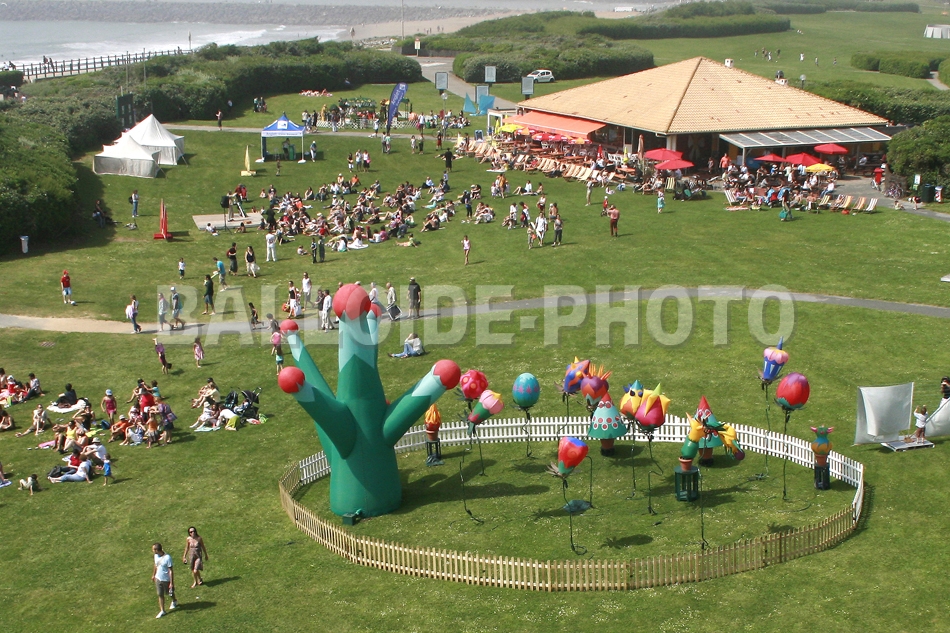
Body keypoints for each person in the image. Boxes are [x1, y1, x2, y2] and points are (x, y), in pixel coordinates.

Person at [151, 543, 178, 618]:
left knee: (169, 593)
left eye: (153, 549)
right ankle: (162, 610)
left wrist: (171, 583)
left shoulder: (167, 558)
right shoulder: (156, 556)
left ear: (157, 550)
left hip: (166, 579)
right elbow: (156, 565)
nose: (152, 551)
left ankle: (174, 601)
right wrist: (153, 575)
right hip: (158, 578)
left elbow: (171, 570)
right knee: (160, 594)